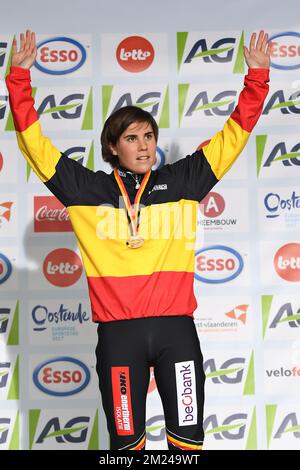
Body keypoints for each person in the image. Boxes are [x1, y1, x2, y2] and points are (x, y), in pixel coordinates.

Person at [6, 30, 271, 451]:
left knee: (187, 444)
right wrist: (19, 78)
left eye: (148, 136)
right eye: (131, 138)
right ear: (113, 147)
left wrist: (257, 76)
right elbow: (34, 144)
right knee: (127, 446)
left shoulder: (183, 180)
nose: (144, 146)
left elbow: (233, 137)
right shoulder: (85, 189)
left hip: (176, 333)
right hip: (118, 338)